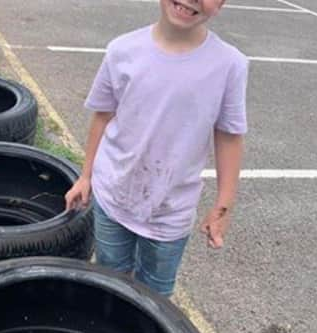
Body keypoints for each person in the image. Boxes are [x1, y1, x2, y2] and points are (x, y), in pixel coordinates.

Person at [65, 0, 249, 297]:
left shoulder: (230, 65)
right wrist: (86, 176)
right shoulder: (122, 50)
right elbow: (103, 115)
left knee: (156, 294)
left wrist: (224, 205)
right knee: (111, 276)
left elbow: (229, 135)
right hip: (113, 195)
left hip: (171, 209)